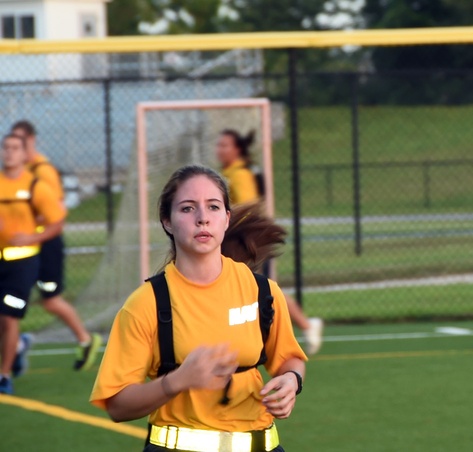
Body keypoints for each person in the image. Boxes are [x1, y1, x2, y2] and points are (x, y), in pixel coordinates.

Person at [90, 165, 306, 451]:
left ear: (226, 219)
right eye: (188, 209)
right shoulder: (146, 303)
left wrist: (291, 381)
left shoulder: (262, 291)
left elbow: (290, 360)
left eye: (213, 207)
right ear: (167, 221)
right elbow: (117, 405)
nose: (203, 219)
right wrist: (177, 380)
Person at [216, 129, 324, 355]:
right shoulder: (229, 173)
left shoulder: (239, 175)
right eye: (219, 145)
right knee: (257, 288)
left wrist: (227, 225)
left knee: (261, 288)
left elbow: (248, 208)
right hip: (243, 243)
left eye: (225, 145)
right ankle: (303, 325)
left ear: (237, 150)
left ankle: (303, 325)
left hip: (247, 244)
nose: (220, 149)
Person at [9, 120, 102, 372]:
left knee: (49, 300)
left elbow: (56, 211)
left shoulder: (42, 171)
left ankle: (85, 339)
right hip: (21, 250)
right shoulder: (18, 171)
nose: (15, 147)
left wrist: (27, 225)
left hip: (45, 245)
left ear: (31, 141)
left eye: (21, 141)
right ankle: (16, 346)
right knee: (9, 302)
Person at [0, 133, 66, 394]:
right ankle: (17, 348)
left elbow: (56, 222)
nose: (9, 153)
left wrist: (32, 236)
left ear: (23, 152)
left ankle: (4, 375)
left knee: (9, 317)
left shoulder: (35, 185)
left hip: (23, 265)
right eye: (5, 147)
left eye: (15, 148)